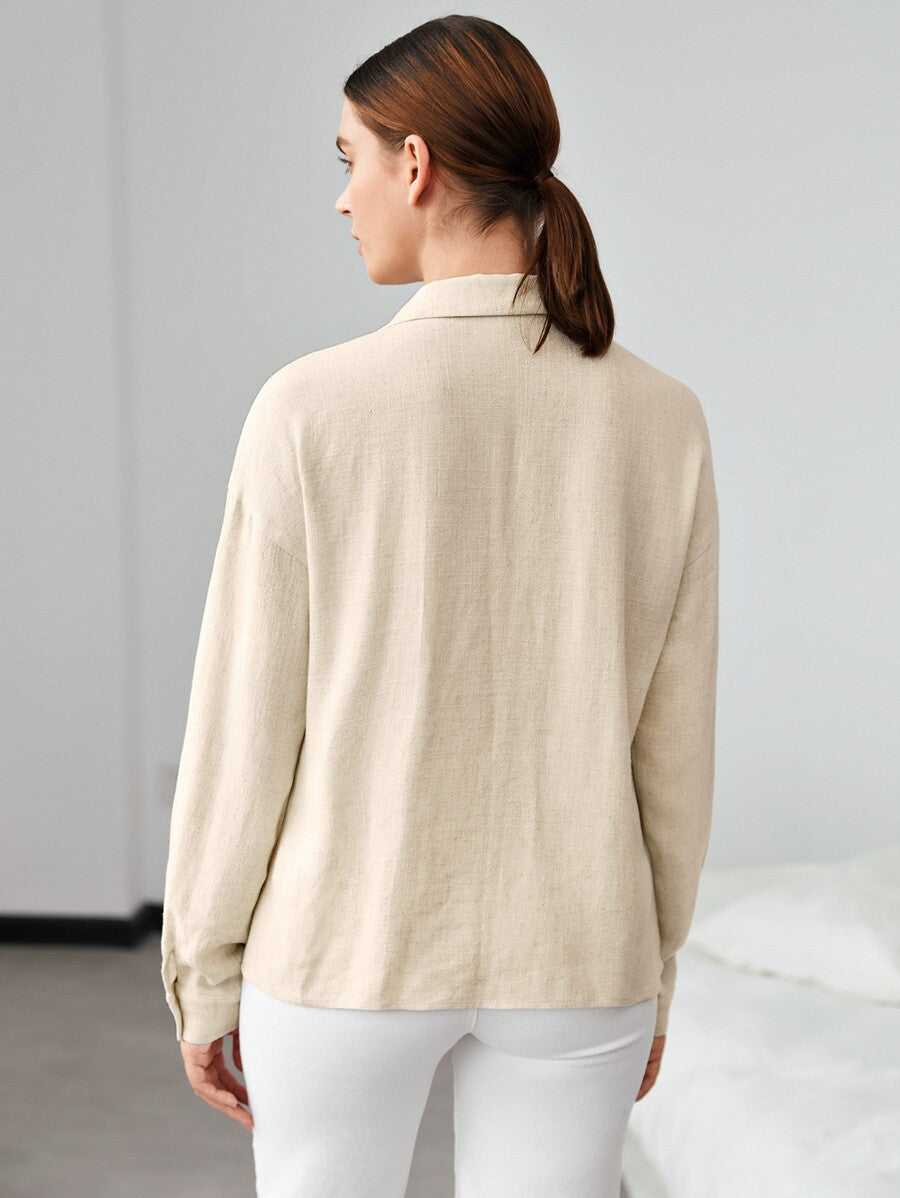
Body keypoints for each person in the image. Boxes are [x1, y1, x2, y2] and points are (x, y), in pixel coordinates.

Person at [160, 14, 719, 1197]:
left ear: (414, 163)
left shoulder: (309, 407)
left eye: (349, 159)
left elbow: (243, 725)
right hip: (580, 951)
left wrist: (203, 969)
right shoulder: (663, 418)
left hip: (343, 949)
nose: (343, 197)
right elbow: (673, 741)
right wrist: (656, 968)